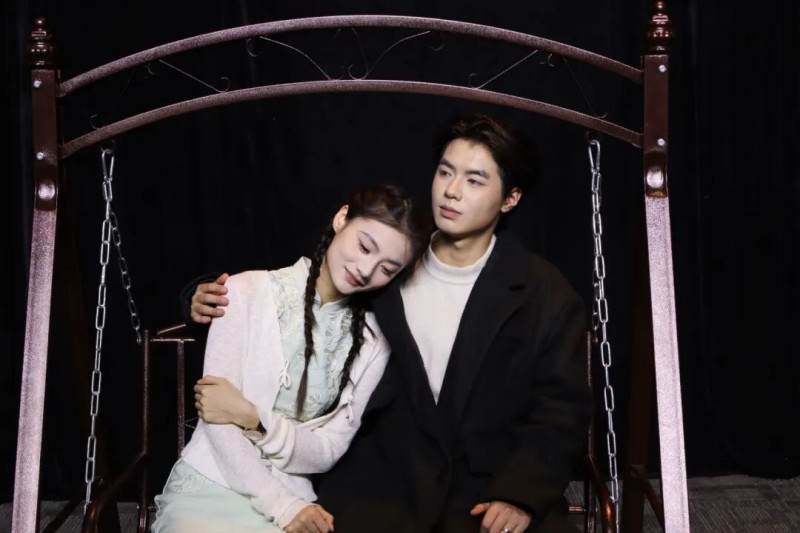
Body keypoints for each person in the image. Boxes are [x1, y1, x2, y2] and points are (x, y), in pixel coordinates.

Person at [189, 113, 591, 532]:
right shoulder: (392, 261)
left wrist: (520, 494)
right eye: (445, 172)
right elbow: (311, 281)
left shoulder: (543, 292)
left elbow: (561, 411)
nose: (452, 191)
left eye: (475, 181)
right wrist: (202, 296)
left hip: (486, 490)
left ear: (510, 198)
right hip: (384, 487)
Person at [151, 184, 431, 533]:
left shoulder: (374, 342)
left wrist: (256, 421)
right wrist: (279, 505)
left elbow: (330, 448)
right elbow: (218, 422)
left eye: (386, 269)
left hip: (296, 496)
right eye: (364, 246)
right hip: (212, 483)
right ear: (342, 218)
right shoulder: (244, 291)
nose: (365, 269)